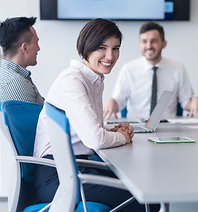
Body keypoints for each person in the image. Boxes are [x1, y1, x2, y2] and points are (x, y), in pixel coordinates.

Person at [33, 19, 158, 211]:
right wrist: (122, 137)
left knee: (147, 184)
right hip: (57, 175)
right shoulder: (72, 80)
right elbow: (96, 139)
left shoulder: (94, 79)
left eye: (116, 48)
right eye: (102, 47)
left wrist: (113, 131)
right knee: (148, 199)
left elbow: (90, 129)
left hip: (78, 167)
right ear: (86, 47)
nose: (111, 56)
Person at [103, 21, 198, 120]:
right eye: (144, 41)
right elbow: (119, 102)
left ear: (164, 44)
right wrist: (111, 102)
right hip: (136, 126)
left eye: (154, 41)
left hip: (167, 126)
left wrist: (195, 100)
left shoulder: (178, 69)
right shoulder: (128, 69)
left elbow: (186, 102)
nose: (149, 46)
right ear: (139, 44)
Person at [0, 17, 44, 104]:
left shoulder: (11, 75)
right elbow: (30, 118)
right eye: (36, 43)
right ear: (25, 47)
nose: (38, 49)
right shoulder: (15, 83)